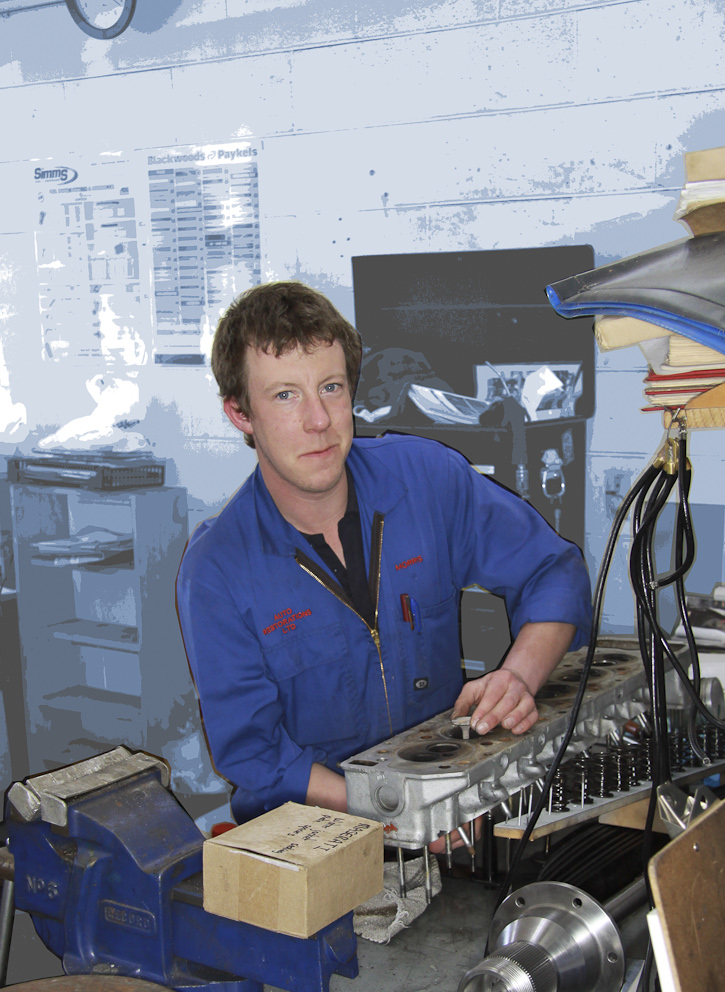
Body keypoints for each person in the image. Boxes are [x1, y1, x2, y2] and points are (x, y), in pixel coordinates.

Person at [176, 281, 592, 825]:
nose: (318, 420)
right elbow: (257, 755)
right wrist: (397, 814)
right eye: (284, 395)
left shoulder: (427, 480)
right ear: (240, 414)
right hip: (311, 840)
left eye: (330, 387)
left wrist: (518, 676)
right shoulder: (216, 570)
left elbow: (555, 571)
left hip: (447, 809)